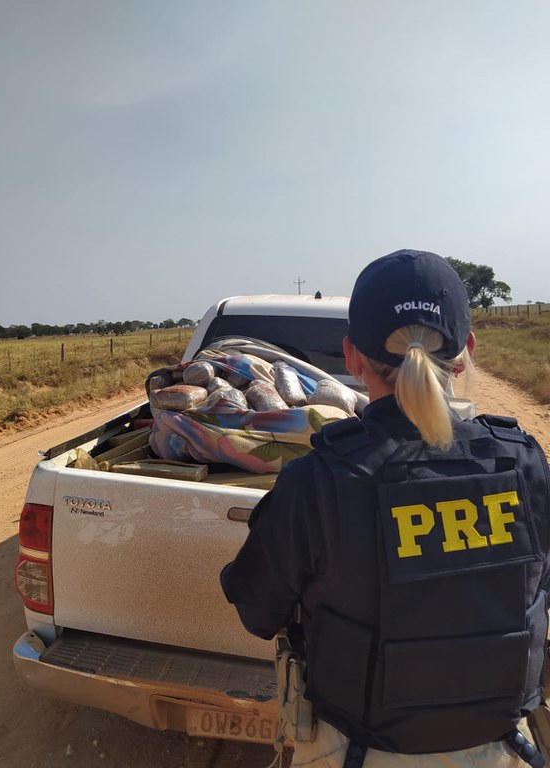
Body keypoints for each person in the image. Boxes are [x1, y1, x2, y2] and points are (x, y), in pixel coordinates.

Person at [220, 249, 550, 768]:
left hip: (356, 750)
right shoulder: (526, 463)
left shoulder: (319, 478)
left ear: (351, 356)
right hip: (501, 751)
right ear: (464, 352)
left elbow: (257, 612)